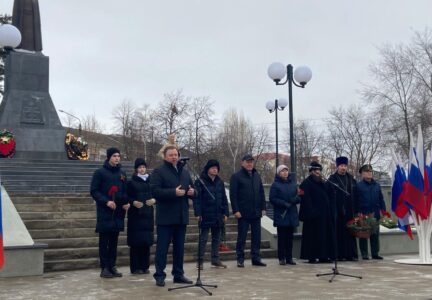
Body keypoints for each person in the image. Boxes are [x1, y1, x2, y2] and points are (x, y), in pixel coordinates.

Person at [150, 145, 196, 287]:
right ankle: (159, 275)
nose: (174, 157)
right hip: (166, 217)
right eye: (171, 155)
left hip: (181, 217)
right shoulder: (158, 172)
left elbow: (194, 190)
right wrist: (173, 192)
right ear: (165, 156)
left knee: (179, 249)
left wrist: (193, 193)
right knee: (162, 249)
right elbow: (154, 191)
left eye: (176, 154)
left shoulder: (185, 172)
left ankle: (178, 274)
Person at [90, 147, 130, 278]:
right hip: (105, 212)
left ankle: (112, 266)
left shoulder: (122, 173)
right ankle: (104, 267)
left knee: (114, 241)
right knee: (104, 241)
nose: (117, 158)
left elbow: (125, 191)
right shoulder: (100, 173)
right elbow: (94, 191)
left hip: (118, 213)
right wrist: (106, 201)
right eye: (114, 156)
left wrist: (126, 202)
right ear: (108, 157)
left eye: (118, 156)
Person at [230, 154, 267, 268]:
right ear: (242, 163)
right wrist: (236, 210)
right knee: (242, 237)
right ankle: (240, 258)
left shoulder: (256, 175)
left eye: (251, 162)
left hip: (256, 212)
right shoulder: (236, 176)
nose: (250, 163)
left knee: (256, 237)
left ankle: (256, 258)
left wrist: (263, 207)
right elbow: (233, 195)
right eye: (247, 162)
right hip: (243, 212)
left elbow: (261, 192)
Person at [193, 159, 229, 270]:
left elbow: (224, 198)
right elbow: (197, 199)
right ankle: (200, 261)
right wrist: (198, 213)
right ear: (208, 169)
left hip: (218, 215)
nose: (215, 169)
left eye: (216, 168)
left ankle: (215, 260)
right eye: (213, 167)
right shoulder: (200, 181)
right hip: (205, 214)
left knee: (216, 239)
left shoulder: (220, 182)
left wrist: (226, 213)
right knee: (203, 239)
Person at [298, 161, 335, 263]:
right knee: (313, 237)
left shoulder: (322, 183)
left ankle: (323, 256)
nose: (318, 172)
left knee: (324, 236)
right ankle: (312, 256)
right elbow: (305, 200)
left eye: (319, 170)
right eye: (315, 170)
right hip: (313, 217)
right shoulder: (306, 183)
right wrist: (313, 212)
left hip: (324, 216)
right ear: (311, 172)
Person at [126, 158, 155, 275]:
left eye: (143, 167)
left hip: (148, 215)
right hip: (136, 216)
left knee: (146, 242)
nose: (142, 169)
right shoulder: (131, 182)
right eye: (139, 167)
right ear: (136, 169)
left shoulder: (151, 181)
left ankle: (145, 266)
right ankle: (135, 267)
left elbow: (156, 193)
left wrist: (154, 200)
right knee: (136, 242)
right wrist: (133, 202)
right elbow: (126, 196)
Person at [355, 164, 390, 260]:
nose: (369, 173)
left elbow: (381, 199)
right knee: (363, 235)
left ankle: (375, 253)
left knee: (374, 234)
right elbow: (355, 200)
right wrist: (357, 212)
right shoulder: (358, 186)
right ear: (362, 174)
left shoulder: (377, 185)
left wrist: (384, 211)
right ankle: (364, 254)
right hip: (363, 213)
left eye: (370, 171)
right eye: (367, 171)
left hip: (375, 213)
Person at [327, 156, 358, 261]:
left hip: (350, 211)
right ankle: (339, 255)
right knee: (339, 234)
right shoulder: (332, 179)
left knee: (350, 234)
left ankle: (350, 254)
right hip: (338, 212)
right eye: (341, 166)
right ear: (337, 166)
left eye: (345, 166)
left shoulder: (351, 179)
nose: (343, 168)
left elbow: (355, 193)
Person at [269, 165, 300, 265]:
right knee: (282, 238)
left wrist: (295, 200)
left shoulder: (293, 184)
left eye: (286, 171)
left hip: (291, 214)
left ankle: (289, 258)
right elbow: (272, 199)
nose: (285, 172)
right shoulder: (275, 185)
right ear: (278, 173)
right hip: (282, 214)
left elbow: (298, 196)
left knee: (289, 238)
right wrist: (284, 203)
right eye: (282, 171)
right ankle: (281, 258)